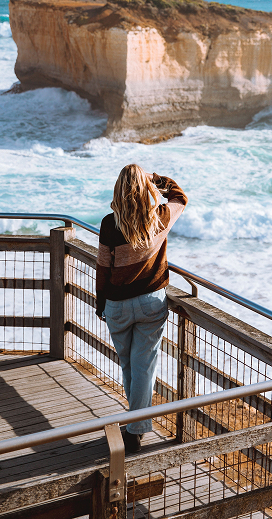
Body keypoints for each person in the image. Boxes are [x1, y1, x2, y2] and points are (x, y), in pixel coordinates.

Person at [95, 163, 188, 453]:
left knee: (128, 365)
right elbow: (180, 197)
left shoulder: (110, 224)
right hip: (151, 302)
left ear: (118, 190)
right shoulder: (159, 217)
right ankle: (136, 428)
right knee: (143, 366)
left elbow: (102, 268)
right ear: (144, 189)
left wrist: (101, 303)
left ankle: (134, 424)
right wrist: (155, 178)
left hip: (117, 306)